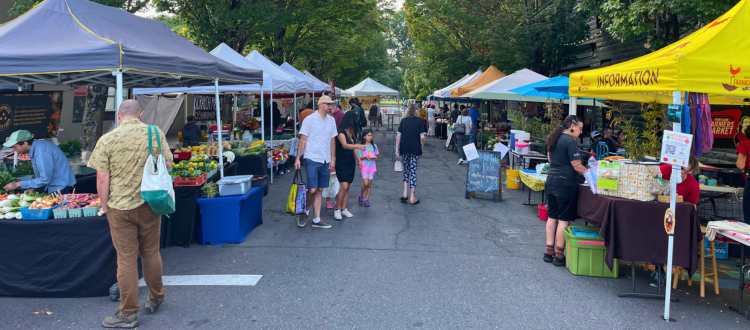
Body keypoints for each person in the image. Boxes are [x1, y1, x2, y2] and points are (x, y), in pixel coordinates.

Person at [88, 100, 172, 328]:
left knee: (125, 260)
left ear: (118, 116)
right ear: (140, 115)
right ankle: (156, 297)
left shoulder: (107, 139)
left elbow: (102, 178)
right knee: (150, 253)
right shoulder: (155, 133)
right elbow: (169, 165)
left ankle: (127, 314)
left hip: (119, 207)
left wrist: (105, 207)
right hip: (149, 205)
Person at [543, 115, 585, 267]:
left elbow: (550, 160)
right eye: (580, 129)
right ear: (572, 126)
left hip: (551, 180)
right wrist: (591, 174)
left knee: (552, 216)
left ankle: (549, 252)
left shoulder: (553, 138)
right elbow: (577, 166)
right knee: (563, 219)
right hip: (565, 183)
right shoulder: (570, 141)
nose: (580, 132)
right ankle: (559, 255)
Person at [653, 156, 700, 286]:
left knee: (665, 234)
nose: (678, 172)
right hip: (655, 211)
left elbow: (692, 207)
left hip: (676, 219)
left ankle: (659, 269)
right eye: (677, 167)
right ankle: (657, 267)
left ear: (690, 171)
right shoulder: (666, 169)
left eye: (683, 170)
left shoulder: (693, 185)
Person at [295, 95, 339, 229]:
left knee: (320, 189)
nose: (331, 107)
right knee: (313, 189)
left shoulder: (331, 121)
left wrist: (333, 159)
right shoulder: (310, 120)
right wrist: (298, 158)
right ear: (321, 105)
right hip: (312, 157)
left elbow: (332, 141)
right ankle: (305, 211)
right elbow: (303, 139)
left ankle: (316, 219)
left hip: (325, 159)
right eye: (328, 104)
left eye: (331, 104)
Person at [2, 130, 76, 194]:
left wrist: (18, 184)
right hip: (57, 186)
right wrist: (34, 188)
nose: (13, 150)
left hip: (61, 187)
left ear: (25, 143)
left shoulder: (41, 152)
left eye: (15, 147)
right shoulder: (39, 146)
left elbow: (45, 179)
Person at [334, 111, 365, 220]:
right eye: (355, 120)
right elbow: (345, 145)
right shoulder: (341, 132)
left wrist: (359, 161)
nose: (356, 122)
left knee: (348, 187)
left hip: (350, 161)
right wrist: (357, 145)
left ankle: (344, 208)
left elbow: (354, 148)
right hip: (341, 162)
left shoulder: (351, 133)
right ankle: (337, 209)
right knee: (344, 186)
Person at [396, 103, 426, 205]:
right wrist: (421, 148)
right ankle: (412, 197)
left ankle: (405, 193)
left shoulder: (403, 121)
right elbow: (422, 138)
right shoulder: (419, 121)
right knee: (413, 171)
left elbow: (398, 137)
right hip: (415, 149)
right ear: (416, 111)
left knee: (406, 169)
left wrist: (397, 149)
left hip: (404, 148)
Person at [358, 129, 379, 207]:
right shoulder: (361, 147)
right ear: (364, 137)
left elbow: (376, 156)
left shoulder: (374, 146)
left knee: (369, 184)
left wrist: (374, 157)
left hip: (372, 167)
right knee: (365, 183)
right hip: (364, 167)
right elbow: (359, 157)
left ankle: (366, 200)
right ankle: (361, 195)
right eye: (368, 135)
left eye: (371, 135)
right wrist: (365, 157)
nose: (370, 137)